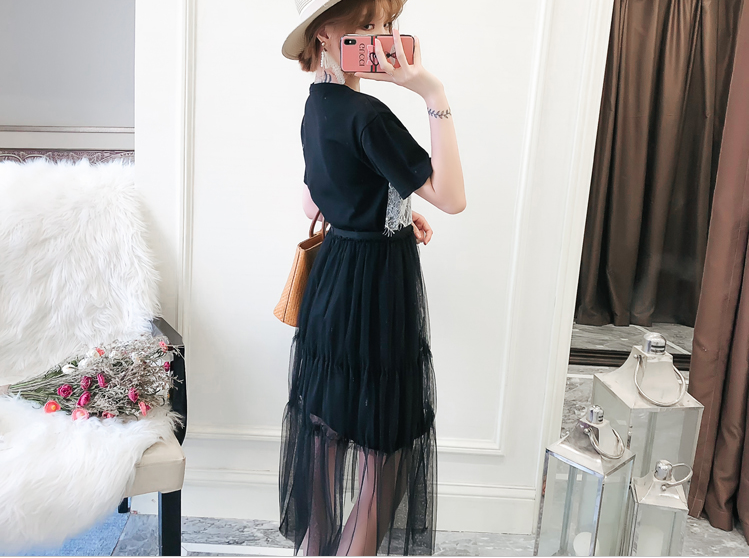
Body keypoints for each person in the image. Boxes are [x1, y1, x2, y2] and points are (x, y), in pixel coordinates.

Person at [278, 0, 466, 555]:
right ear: (325, 33)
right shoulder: (370, 115)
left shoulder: (318, 104)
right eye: (367, 26)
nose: (382, 37)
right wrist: (432, 93)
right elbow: (452, 196)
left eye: (386, 25)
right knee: (386, 449)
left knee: (326, 430)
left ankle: (316, 548)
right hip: (379, 287)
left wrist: (398, 209)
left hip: (334, 281)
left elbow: (316, 198)